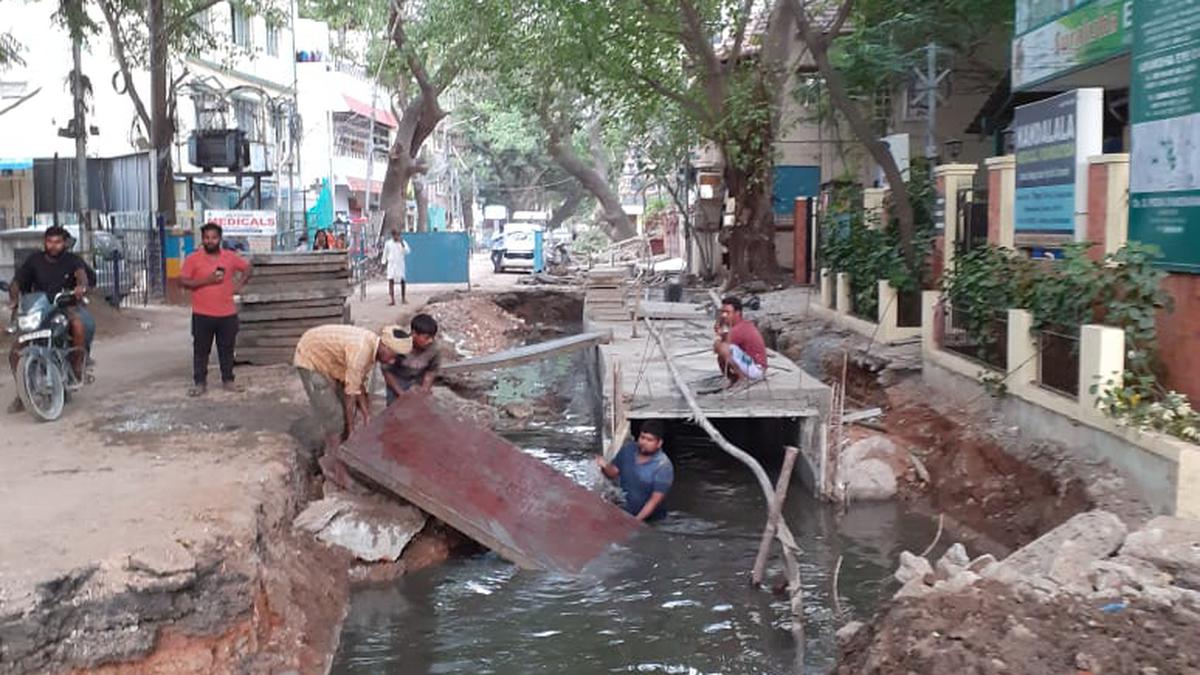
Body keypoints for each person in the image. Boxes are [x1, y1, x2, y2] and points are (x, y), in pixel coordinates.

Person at [293, 324, 400, 487]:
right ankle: (337, 470)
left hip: (330, 360)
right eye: (393, 356)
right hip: (311, 357)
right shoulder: (361, 352)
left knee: (344, 411)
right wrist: (351, 430)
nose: (393, 361)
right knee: (335, 417)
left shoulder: (372, 348)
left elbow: (359, 385)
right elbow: (351, 394)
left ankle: (339, 453)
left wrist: (366, 414)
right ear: (384, 346)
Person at [7, 226, 94, 413]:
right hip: (40, 308)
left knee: (78, 326)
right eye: (50, 242)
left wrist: (80, 288)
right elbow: (18, 281)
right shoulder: (34, 260)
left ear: (64, 243)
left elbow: (82, 277)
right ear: (44, 242)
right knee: (15, 350)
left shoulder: (72, 260)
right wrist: (14, 297)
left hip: (65, 305)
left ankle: (77, 368)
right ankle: (23, 393)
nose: (53, 246)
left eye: (58, 242)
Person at [179, 222, 252, 397]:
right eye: (206, 238)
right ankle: (200, 383)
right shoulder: (193, 259)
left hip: (227, 314)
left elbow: (248, 268)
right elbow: (184, 282)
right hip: (202, 314)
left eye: (213, 237)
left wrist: (239, 284)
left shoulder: (230, 257)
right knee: (201, 350)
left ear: (219, 239)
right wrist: (207, 281)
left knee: (227, 349)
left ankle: (228, 380)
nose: (210, 241)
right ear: (202, 239)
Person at [596, 420, 674, 522]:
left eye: (649, 440)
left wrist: (636, 521)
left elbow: (654, 500)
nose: (644, 442)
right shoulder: (628, 449)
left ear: (659, 443)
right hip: (625, 512)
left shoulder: (663, 467)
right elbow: (614, 473)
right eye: (642, 438)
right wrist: (605, 466)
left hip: (650, 520)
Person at [380, 313, 440, 403]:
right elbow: (387, 372)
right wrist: (401, 393)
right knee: (396, 410)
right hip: (398, 382)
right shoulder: (398, 346)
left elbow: (431, 372)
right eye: (427, 338)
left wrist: (424, 391)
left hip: (417, 382)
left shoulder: (434, 350)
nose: (430, 341)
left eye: (432, 337)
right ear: (414, 334)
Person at [713, 295, 767, 384]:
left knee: (722, 348)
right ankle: (733, 378)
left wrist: (719, 334)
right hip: (751, 364)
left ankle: (742, 379)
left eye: (727, 312)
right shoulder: (742, 325)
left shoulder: (738, 329)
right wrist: (721, 326)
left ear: (737, 313)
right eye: (722, 312)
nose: (724, 315)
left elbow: (717, 348)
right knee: (723, 352)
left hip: (756, 369)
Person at [382, 228, 411, 306]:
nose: (396, 237)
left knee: (402, 281)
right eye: (395, 235)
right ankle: (392, 300)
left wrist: (402, 243)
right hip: (392, 264)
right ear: (392, 235)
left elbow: (407, 251)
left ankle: (403, 298)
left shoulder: (403, 243)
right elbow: (385, 253)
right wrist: (384, 262)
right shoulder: (388, 243)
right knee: (391, 281)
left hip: (400, 264)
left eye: (398, 235)